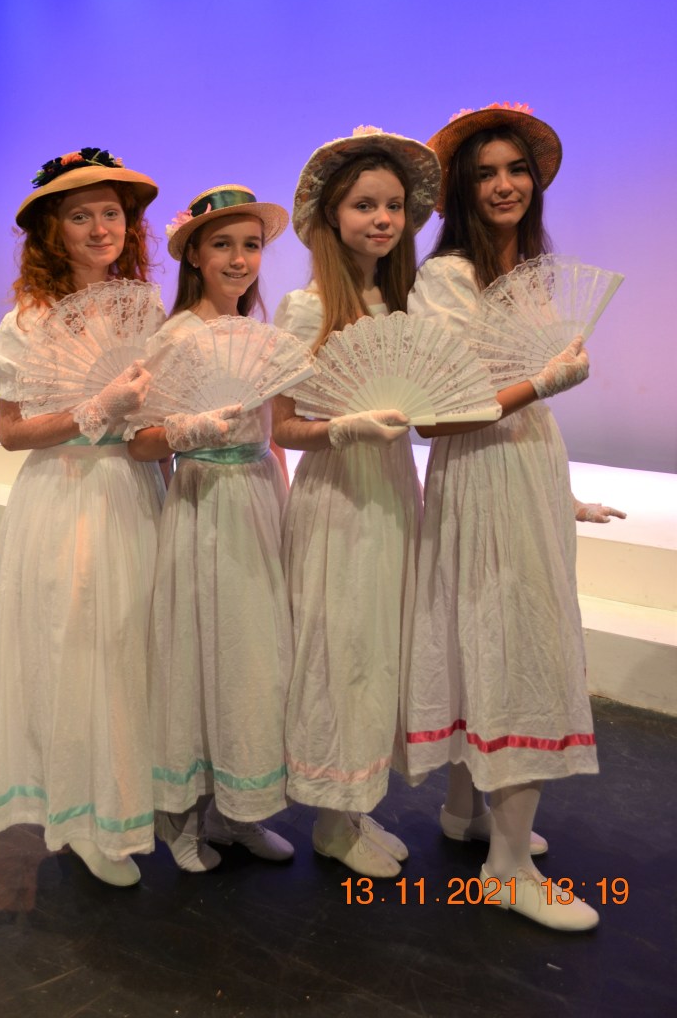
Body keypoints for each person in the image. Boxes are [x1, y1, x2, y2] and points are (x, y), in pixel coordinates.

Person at [399, 103, 623, 931]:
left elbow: (523, 402)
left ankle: (468, 817)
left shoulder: (523, 270)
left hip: (526, 472)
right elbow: (438, 417)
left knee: (489, 643)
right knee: (513, 649)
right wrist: (545, 382)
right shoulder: (447, 279)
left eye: (516, 169)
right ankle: (504, 869)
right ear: (460, 189)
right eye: (486, 173)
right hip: (484, 479)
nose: (505, 185)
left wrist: (562, 495)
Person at [0, 148, 165, 887]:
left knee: (130, 647)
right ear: (53, 232)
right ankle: (80, 817)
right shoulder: (28, 322)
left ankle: (126, 799)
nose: (99, 228)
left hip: (132, 491)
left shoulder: (144, 310)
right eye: (80, 216)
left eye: (110, 213)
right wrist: (94, 409)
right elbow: (13, 433)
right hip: (64, 496)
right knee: (76, 648)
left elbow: (152, 417)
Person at [271, 125, 441, 877]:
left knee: (380, 648)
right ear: (332, 216)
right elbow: (281, 427)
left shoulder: (403, 304)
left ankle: (356, 804)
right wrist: (345, 428)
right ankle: (331, 819)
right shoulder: (305, 308)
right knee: (340, 649)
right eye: (365, 205)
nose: (382, 219)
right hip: (338, 497)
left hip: (394, 490)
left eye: (393, 206)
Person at [128, 184, 295, 871]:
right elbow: (139, 440)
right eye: (222, 244)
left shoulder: (258, 335)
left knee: (254, 659)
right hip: (203, 501)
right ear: (194, 255)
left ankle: (239, 810)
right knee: (202, 652)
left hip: (257, 495)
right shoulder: (174, 337)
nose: (238, 259)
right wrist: (187, 430)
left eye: (250, 245)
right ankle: (183, 817)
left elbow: (273, 430)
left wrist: (283, 490)